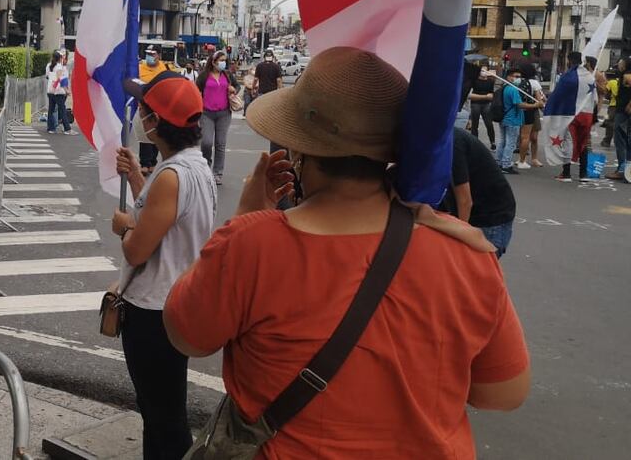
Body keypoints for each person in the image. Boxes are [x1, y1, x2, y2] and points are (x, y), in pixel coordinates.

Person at [163, 47, 530, 459]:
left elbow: (186, 335)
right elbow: (503, 392)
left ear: (300, 152)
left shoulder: (251, 244)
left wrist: (245, 215)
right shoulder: (466, 252)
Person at [111, 71, 216, 460]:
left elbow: (137, 250)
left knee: (164, 418)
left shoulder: (172, 175)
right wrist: (138, 176)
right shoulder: (194, 166)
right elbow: (163, 217)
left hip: (154, 311)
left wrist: (124, 228)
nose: (139, 113)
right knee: (163, 410)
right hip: (177, 302)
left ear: (156, 122)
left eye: (143, 107)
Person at [443, 128, 518, 257]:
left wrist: (458, 241)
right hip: (474, 212)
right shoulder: (439, 140)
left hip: (490, 219)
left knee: (472, 271)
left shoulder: (452, 143)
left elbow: (465, 201)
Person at [196, 52, 238, 185]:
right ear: (213, 61)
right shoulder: (203, 76)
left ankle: (217, 173)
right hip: (206, 113)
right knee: (206, 143)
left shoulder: (227, 75)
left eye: (225, 60)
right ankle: (206, 168)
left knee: (220, 144)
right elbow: (196, 91)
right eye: (221, 60)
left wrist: (233, 89)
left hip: (224, 114)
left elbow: (237, 86)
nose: (223, 63)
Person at [557, 52, 597, 183]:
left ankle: (566, 173)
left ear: (569, 61)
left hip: (571, 114)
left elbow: (560, 96)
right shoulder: (590, 77)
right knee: (583, 142)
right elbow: (595, 100)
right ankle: (583, 174)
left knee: (568, 142)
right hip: (587, 115)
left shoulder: (568, 76)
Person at [137, 47, 175, 172]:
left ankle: (153, 160)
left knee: (157, 133)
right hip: (144, 105)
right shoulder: (139, 68)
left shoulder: (165, 68)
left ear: (158, 55)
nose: (149, 56)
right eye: (147, 54)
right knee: (144, 134)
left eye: (152, 54)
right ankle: (144, 162)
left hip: (160, 106)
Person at [498, 67, 538, 174]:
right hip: (512, 119)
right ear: (509, 77)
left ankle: (500, 162)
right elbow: (519, 104)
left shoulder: (504, 87)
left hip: (504, 118)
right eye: (516, 76)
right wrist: (535, 105)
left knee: (503, 142)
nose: (518, 79)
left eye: (519, 77)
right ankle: (506, 165)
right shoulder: (513, 89)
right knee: (510, 143)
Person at [516, 64, 545, 169]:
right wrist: (542, 104)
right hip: (532, 111)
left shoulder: (517, 82)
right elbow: (539, 100)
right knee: (532, 137)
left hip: (518, 110)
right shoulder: (534, 83)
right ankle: (532, 159)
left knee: (523, 136)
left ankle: (521, 158)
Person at [608, 57, 631, 181]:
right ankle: (625, 170)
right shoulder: (625, 75)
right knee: (625, 140)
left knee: (620, 139)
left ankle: (622, 170)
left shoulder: (627, 75)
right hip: (622, 110)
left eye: (621, 63)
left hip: (624, 111)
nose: (618, 65)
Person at [468, 66, 497, 150]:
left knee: (489, 124)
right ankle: (474, 143)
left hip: (486, 104)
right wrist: (485, 97)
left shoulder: (490, 81)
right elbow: (470, 95)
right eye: (482, 70)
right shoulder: (474, 81)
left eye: (485, 70)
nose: (483, 72)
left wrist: (490, 96)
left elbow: (492, 94)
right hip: (475, 103)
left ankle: (493, 142)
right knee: (475, 124)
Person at [46, 50, 75, 135]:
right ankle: (67, 129)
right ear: (60, 58)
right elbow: (60, 79)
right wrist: (66, 90)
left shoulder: (49, 65)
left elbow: (47, 76)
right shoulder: (59, 66)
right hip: (58, 91)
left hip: (50, 90)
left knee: (51, 110)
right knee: (62, 109)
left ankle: (51, 128)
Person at [601, 67, 619, 148]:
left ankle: (606, 141)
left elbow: (605, 92)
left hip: (613, 106)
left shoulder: (611, 82)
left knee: (610, 123)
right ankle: (618, 142)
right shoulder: (620, 81)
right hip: (622, 106)